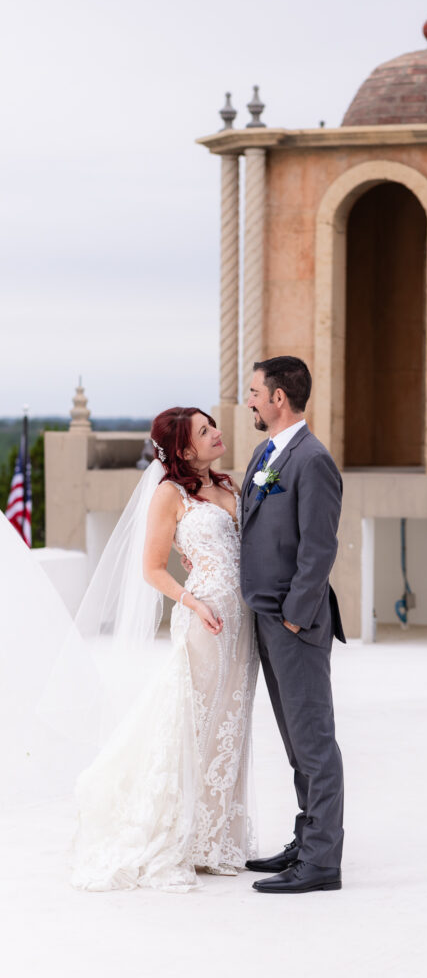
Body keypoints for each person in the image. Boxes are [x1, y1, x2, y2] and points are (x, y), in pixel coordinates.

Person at [71, 407, 258, 892]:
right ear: (182, 449)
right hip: (204, 619)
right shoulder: (168, 495)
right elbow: (152, 568)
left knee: (231, 724)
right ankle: (185, 834)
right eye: (204, 430)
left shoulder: (231, 484)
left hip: (244, 624)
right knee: (196, 724)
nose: (217, 433)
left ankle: (217, 841)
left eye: (212, 425)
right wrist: (192, 601)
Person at [240, 356, 346, 894]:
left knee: (314, 741)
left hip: (294, 625)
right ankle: (307, 839)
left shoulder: (313, 460)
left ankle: (322, 861)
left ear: (279, 397)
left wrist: (294, 618)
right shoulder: (266, 453)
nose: (250, 400)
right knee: (293, 740)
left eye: (255, 391)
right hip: (267, 619)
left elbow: (319, 548)